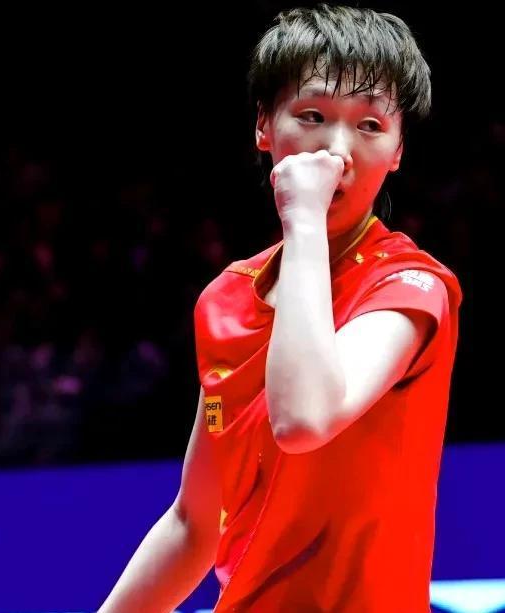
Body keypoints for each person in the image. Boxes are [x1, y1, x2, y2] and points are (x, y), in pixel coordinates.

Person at [99, 4, 463, 611]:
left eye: (370, 125)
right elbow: (194, 524)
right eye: (312, 116)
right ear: (264, 126)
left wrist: (303, 219)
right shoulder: (227, 300)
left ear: (398, 149)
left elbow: (304, 419)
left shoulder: (408, 287)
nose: (338, 150)